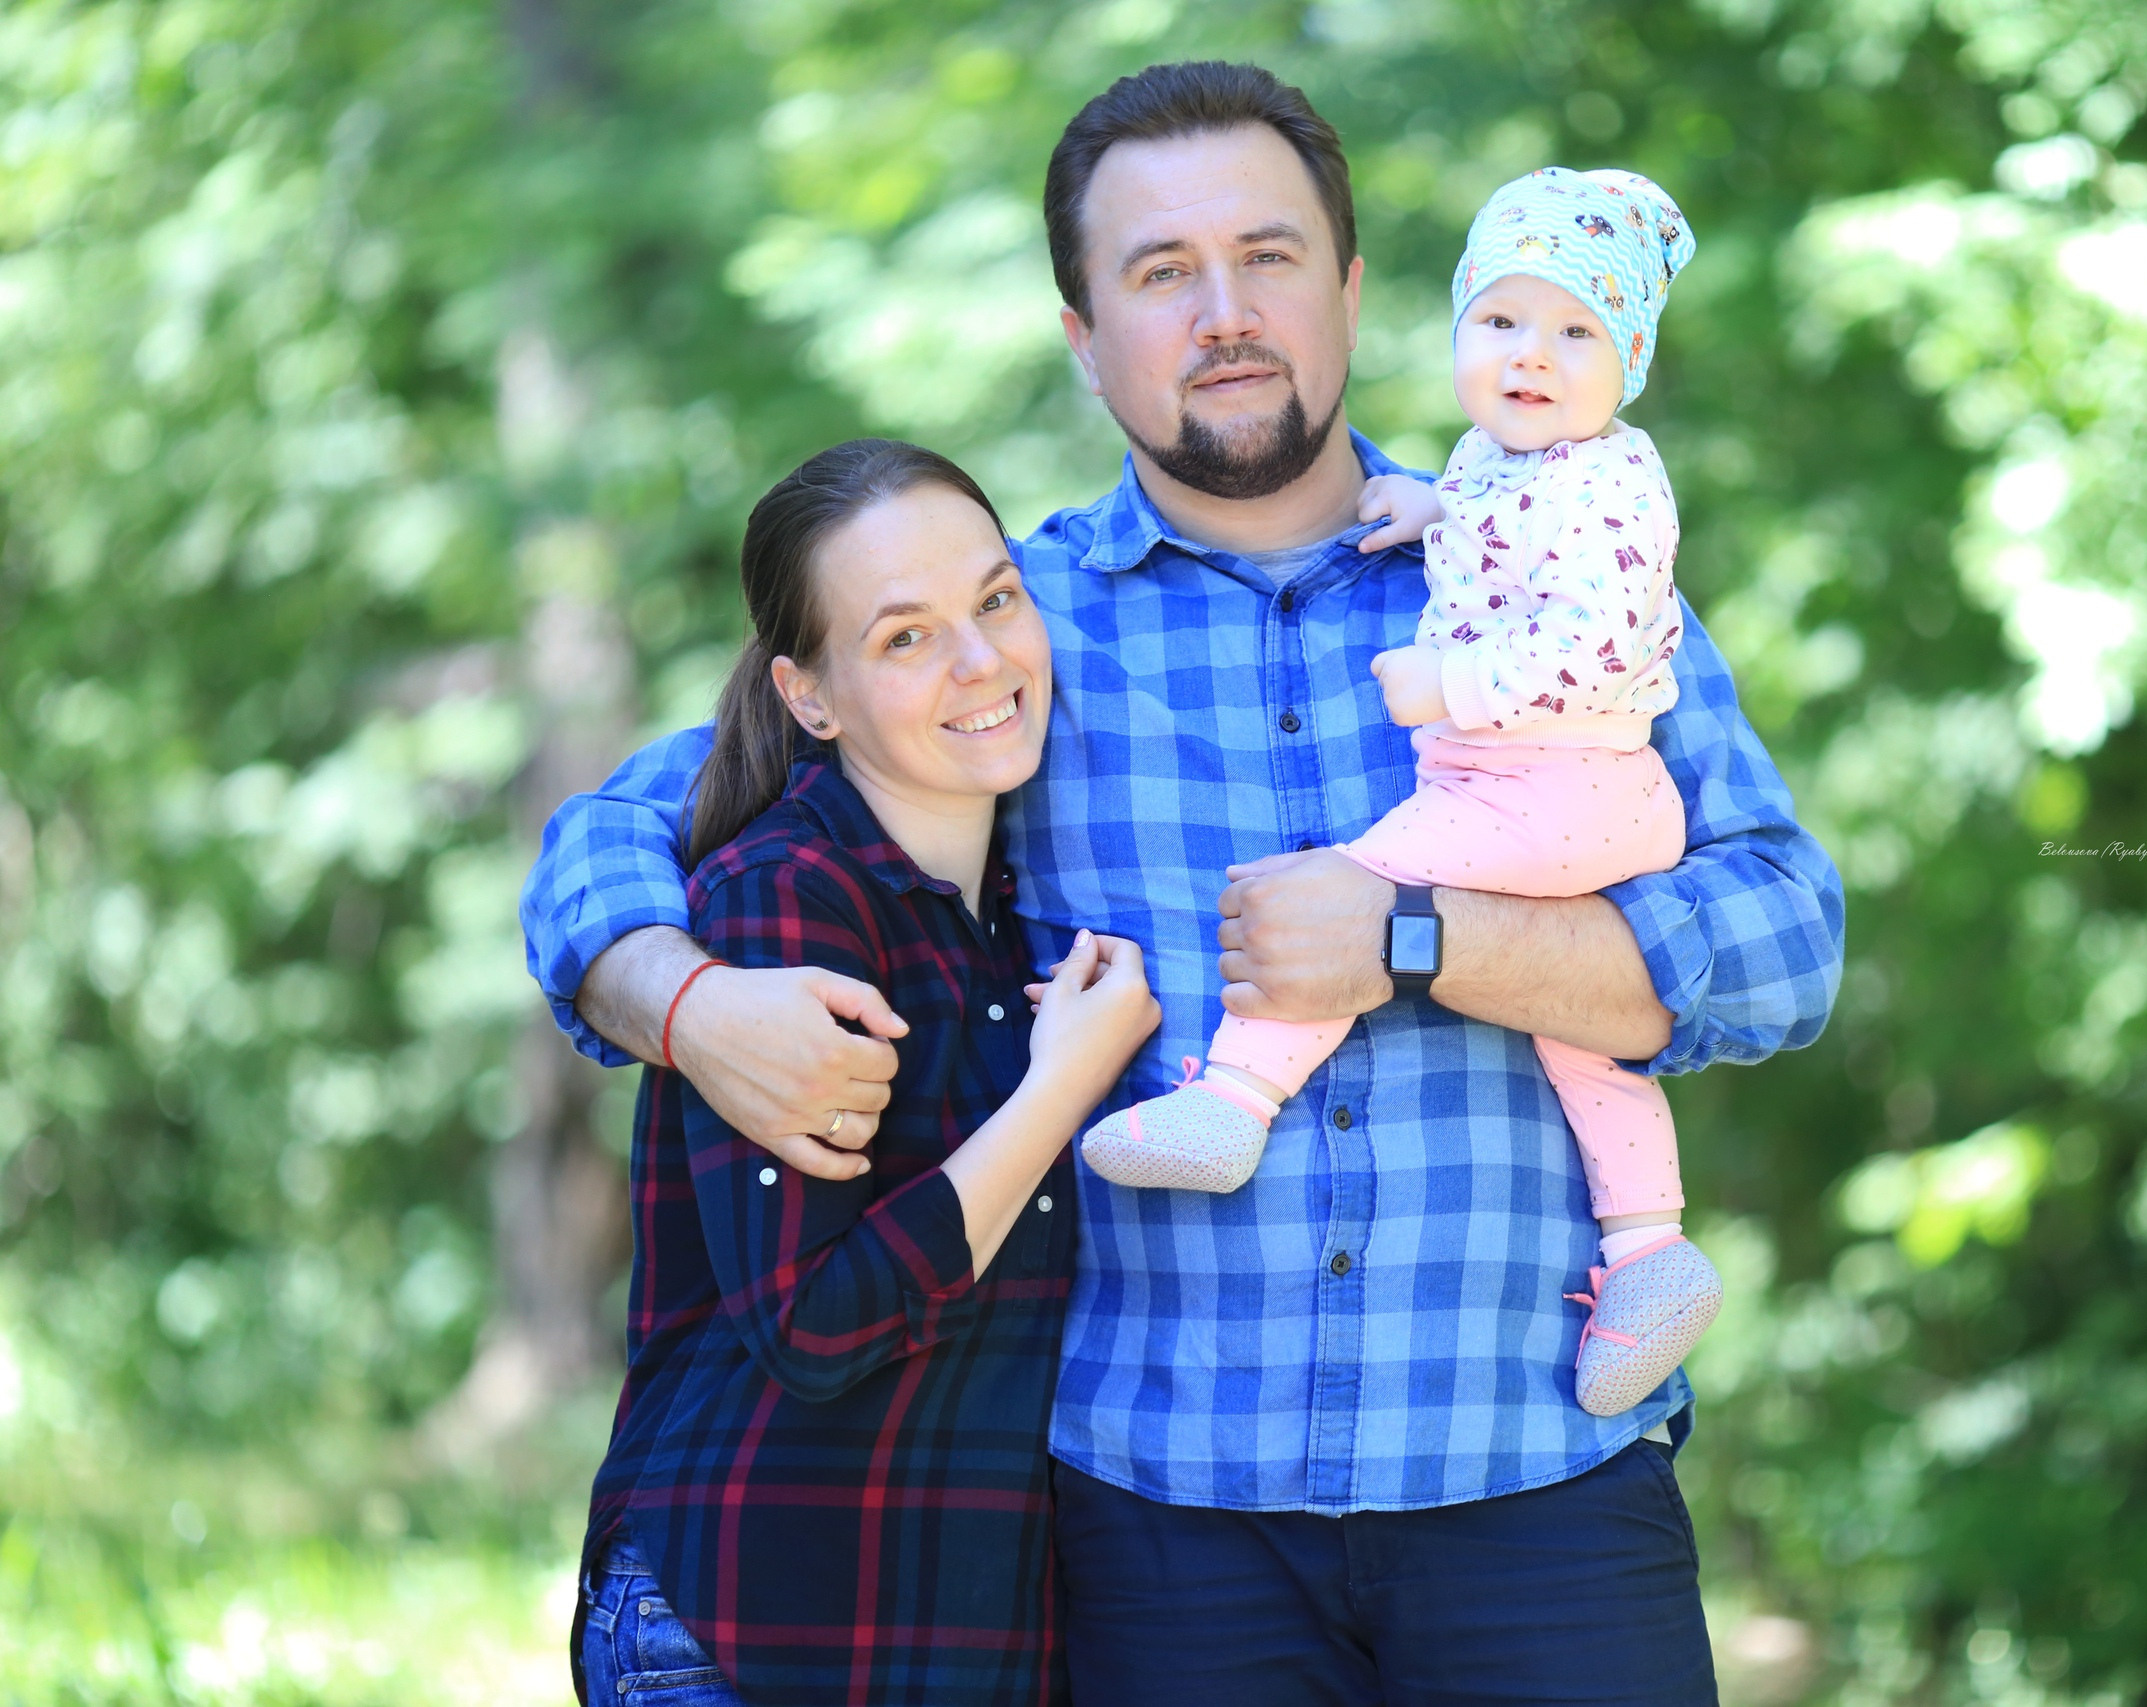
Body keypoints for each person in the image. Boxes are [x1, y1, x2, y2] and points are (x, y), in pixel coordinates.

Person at [527, 61, 1845, 1705]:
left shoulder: (1555, 578)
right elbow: (624, 824)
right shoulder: (1010, 636)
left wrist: (1422, 935)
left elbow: (1787, 936)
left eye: (1268, 255)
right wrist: (686, 1002)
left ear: (1351, 286)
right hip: (1157, 1543)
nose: (1225, 313)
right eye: (1161, 272)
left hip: (1546, 1487)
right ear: (1084, 335)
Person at [1080, 165, 1724, 1422]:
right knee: (1581, 1046)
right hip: (1553, 797)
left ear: (1630, 363)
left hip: (1554, 786)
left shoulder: (1617, 485)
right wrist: (1435, 509)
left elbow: (1593, 638)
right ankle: (1651, 1248)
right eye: (1501, 320)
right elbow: (1507, 526)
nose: (1529, 354)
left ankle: (1235, 1097)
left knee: (1354, 888)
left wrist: (1452, 682)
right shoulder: (1500, 464)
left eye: (1575, 332)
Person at [573, 438, 1161, 1706]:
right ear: (811, 698)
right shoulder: (783, 903)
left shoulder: (1014, 915)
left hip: (947, 1644)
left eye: (995, 600)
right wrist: (1058, 1091)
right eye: (905, 637)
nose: (979, 661)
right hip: (743, 1629)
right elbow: (816, 1322)